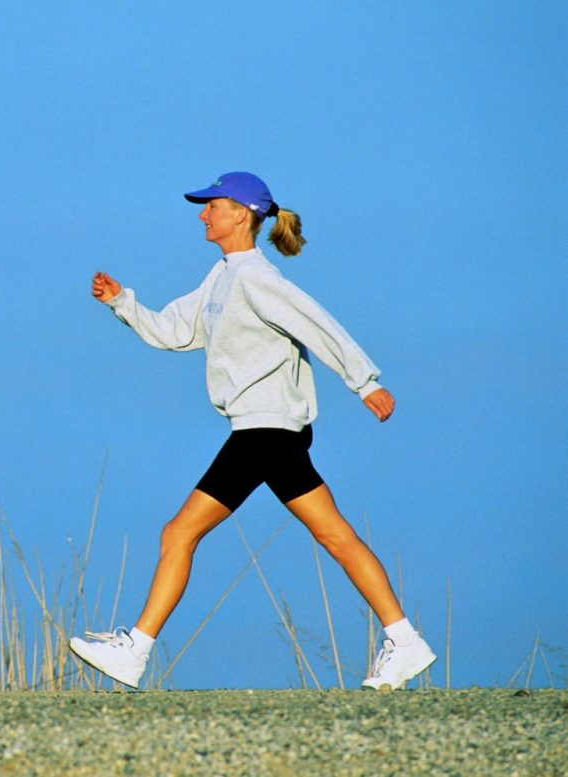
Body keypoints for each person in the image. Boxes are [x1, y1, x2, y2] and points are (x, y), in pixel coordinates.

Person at [69, 171, 435, 691]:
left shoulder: (256, 279)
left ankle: (136, 649)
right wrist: (122, 303)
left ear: (241, 213)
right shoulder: (221, 277)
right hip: (268, 429)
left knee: (180, 532)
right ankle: (405, 640)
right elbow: (177, 331)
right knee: (334, 535)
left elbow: (318, 323)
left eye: (211, 205)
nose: (202, 214)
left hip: (265, 428)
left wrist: (365, 382)